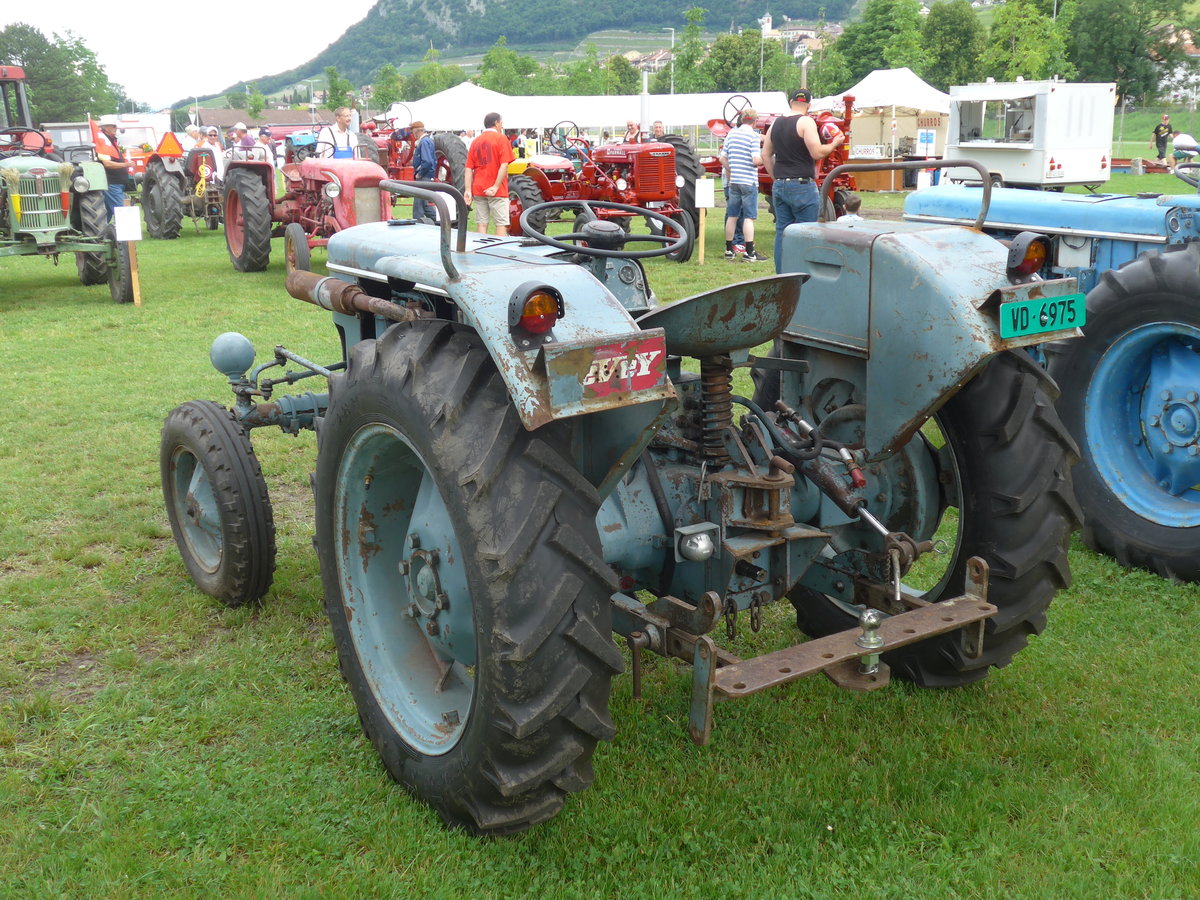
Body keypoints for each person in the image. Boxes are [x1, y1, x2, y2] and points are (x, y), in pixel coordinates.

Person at [761, 88, 846, 272]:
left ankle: (782, 275)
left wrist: (777, 178)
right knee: (806, 233)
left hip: (780, 185)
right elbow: (817, 153)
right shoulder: (806, 121)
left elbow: (766, 155)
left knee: (782, 233)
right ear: (808, 105)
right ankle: (803, 276)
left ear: (791, 102)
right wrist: (834, 143)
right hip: (802, 186)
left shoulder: (775, 123)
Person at [721, 107, 766, 262]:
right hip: (749, 181)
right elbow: (755, 160)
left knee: (732, 215)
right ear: (754, 122)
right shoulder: (753, 136)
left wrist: (732, 169)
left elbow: (722, 158)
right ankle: (749, 253)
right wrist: (764, 159)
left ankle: (729, 250)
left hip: (734, 181)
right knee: (749, 217)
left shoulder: (731, 134)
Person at [464, 111, 515, 235]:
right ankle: (498, 252)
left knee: (481, 223)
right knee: (501, 224)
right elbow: (504, 165)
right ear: (496, 123)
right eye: (501, 122)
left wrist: (468, 190)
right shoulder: (501, 138)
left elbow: (468, 168)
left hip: (479, 188)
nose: (502, 125)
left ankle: (482, 252)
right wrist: (496, 186)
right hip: (496, 189)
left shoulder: (476, 141)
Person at [94, 115, 133, 219]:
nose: (116, 129)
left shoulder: (110, 142)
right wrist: (126, 164)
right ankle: (122, 232)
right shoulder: (104, 144)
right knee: (121, 210)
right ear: (107, 128)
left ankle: (103, 232)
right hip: (112, 183)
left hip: (115, 183)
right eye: (114, 127)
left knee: (106, 213)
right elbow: (107, 163)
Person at [409, 121, 438, 223]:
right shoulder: (428, 141)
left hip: (424, 177)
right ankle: (444, 221)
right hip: (427, 177)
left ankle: (417, 225)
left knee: (418, 207)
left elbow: (427, 161)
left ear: (417, 131)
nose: (413, 135)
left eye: (413, 132)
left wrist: (419, 173)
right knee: (425, 206)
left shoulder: (424, 142)